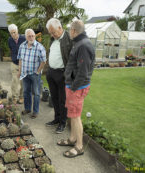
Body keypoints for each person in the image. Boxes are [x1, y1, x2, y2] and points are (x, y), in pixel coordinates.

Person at [57, 20, 95, 158]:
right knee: (72, 114)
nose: (69, 33)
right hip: (73, 86)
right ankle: (72, 139)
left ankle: (79, 146)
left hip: (77, 87)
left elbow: (83, 72)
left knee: (76, 116)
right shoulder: (79, 42)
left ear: (73, 31)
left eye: (69, 30)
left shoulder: (84, 45)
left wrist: (73, 88)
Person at [45, 18, 73, 134]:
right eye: (50, 32)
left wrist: (70, 75)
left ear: (60, 28)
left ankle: (62, 122)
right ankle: (56, 119)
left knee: (63, 100)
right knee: (54, 98)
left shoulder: (69, 39)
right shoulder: (53, 39)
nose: (52, 35)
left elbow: (73, 59)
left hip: (62, 74)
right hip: (51, 72)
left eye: (53, 32)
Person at [17, 29, 47, 119]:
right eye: (29, 36)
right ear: (26, 37)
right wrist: (19, 71)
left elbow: (44, 61)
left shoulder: (40, 47)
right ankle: (27, 109)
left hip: (35, 74)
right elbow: (20, 59)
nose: (31, 37)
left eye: (33, 36)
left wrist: (38, 71)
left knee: (37, 93)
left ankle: (35, 111)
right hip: (25, 74)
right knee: (26, 92)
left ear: (35, 36)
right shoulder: (22, 46)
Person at [8, 24, 26, 104]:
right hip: (14, 63)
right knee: (14, 81)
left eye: (14, 32)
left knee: (23, 82)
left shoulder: (24, 39)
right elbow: (11, 49)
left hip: (23, 64)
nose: (13, 34)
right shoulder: (10, 40)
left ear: (17, 31)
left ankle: (21, 97)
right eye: (11, 33)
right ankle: (14, 97)